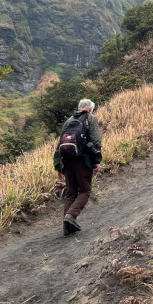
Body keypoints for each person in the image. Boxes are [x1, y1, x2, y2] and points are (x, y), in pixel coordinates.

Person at [53, 98, 102, 236]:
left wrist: (58, 166)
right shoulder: (90, 119)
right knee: (85, 191)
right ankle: (71, 216)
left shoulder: (68, 121)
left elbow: (59, 145)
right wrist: (96, 160)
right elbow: (96, 141)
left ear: (79, 108)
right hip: (83, 160)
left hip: (67, 160)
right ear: (90, 109)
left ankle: (66, 227)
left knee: (71, 193)